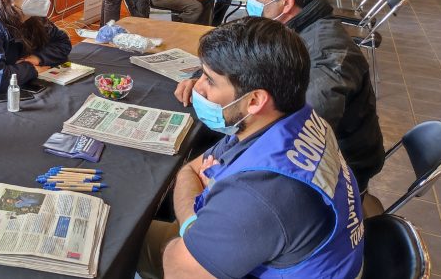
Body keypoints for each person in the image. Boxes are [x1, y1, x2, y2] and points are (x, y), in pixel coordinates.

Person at [140, 17, 364, 279]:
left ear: (255, 100)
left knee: (128, 243)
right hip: (299, 255)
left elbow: (178, 271)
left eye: (210, 80)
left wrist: (190, 222)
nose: (197, 87)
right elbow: (190, 169)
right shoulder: (294, 118)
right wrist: (199, 198)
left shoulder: (259, 194)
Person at [175, 0, 384, 190]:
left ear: (285, 3)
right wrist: (203, 77)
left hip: (339, 167)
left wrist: (227, 167)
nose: (250, 1)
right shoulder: (291, 25)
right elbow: (236, 49)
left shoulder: (328, 53)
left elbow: (294, 130)